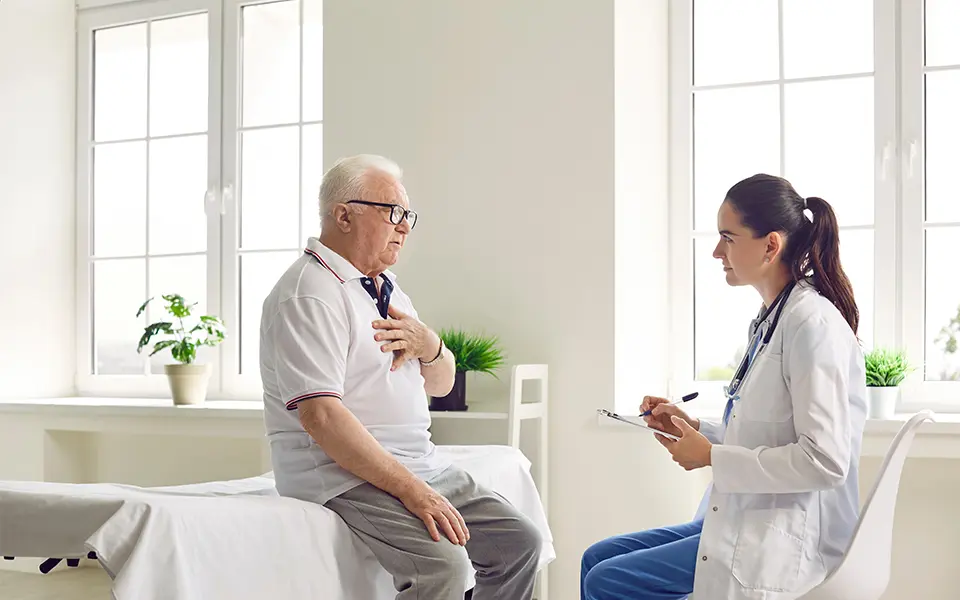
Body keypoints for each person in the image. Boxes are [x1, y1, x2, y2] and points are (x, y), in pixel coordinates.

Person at [259, 154, 542, 599]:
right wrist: (414, 491)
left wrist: (430, 345)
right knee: (444, 568)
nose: (404, 226)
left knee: (519, 543)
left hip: (417, 462)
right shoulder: (309, 295)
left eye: (407, 214)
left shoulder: (386, 288)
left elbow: (441, 384)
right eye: (392, 212)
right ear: (344, 215)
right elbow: (322, 418)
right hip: (342, 475)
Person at [581, 173, 868, 600]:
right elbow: (767, 432)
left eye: (728, 238)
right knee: (596, 558)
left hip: (786, 535)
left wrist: (711, 456)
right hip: (748, 514)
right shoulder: (774, 318)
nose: (717, 251)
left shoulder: (811, 325)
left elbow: (825, 461)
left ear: (771, 245)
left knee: (607, 580)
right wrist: (693, 426)